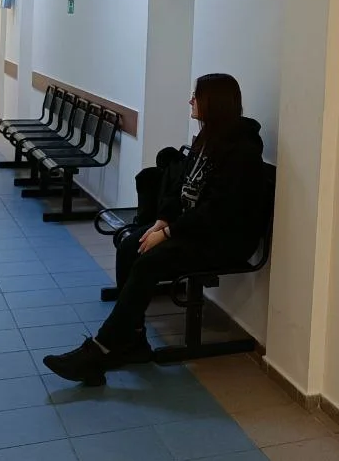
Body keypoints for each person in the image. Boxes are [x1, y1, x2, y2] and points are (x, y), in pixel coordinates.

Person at [43, 73, 266, 385]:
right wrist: (162, 220)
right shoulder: (207, 138)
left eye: (196, 96)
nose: (190, 101)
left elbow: (216, 210)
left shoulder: (242, 150)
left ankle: (101, 349)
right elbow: (180, 187)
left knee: (149, 261)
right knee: (130, 246)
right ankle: (134, 340)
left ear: (214, 102)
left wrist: (169, 232)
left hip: (223, 239)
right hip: (192, 227)